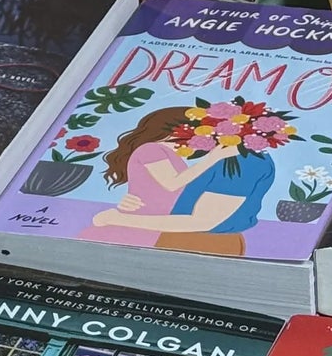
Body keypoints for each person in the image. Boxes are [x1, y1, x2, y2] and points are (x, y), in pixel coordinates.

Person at [78, 108, 276, 255]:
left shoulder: (238, 162)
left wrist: (119, 216)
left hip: (181, 232)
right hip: (161, 228)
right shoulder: (154, 150)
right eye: (196, 131)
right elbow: (172, 185)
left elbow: (195, 210)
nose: (201, 137)